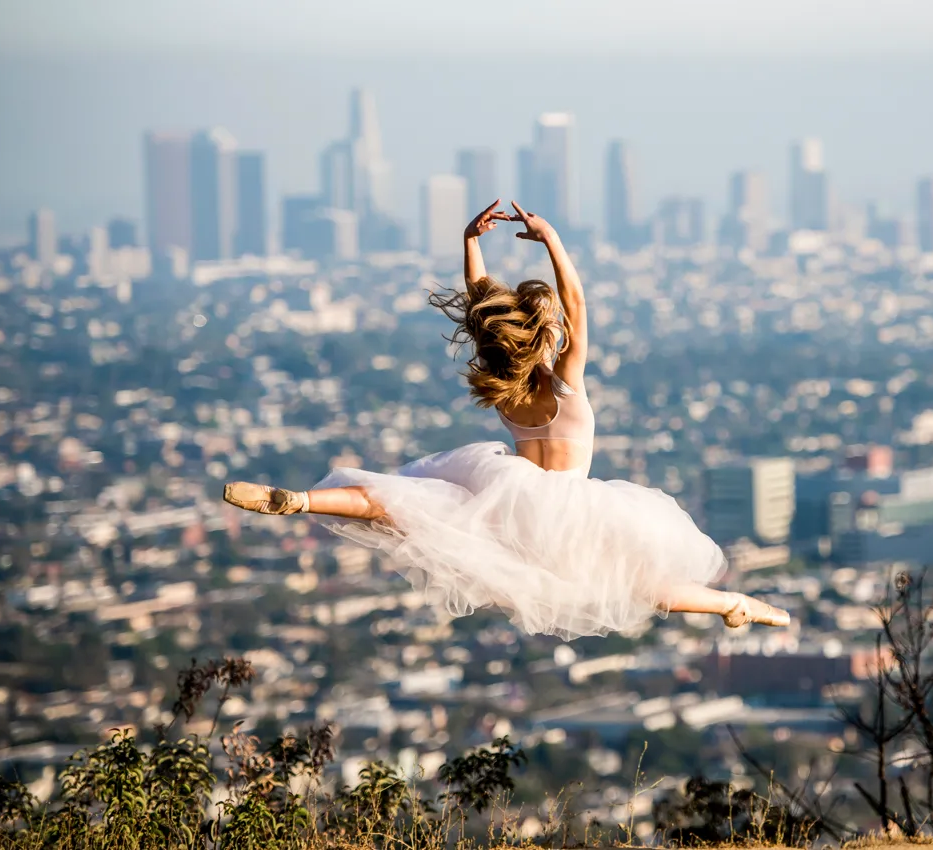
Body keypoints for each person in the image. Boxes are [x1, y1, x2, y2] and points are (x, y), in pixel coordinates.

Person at [223, 200, 789, 639]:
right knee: (641, 585)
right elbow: (578, 303)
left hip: (509, 499)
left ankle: (300, 499)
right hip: (570, 510)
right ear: (541, 338)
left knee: (393, 503)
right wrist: (553, 241)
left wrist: (470, 243)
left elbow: (479, 311)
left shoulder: (505, 390)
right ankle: (735, 605)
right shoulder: (563, 384)